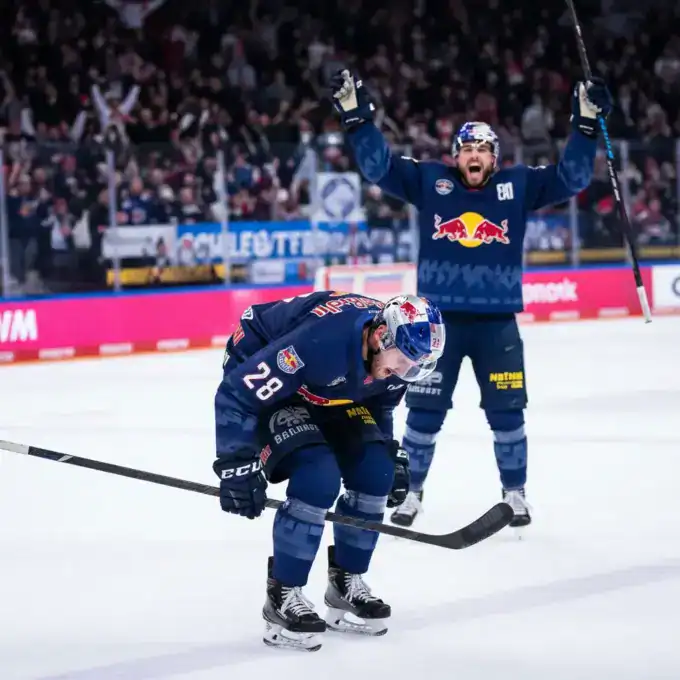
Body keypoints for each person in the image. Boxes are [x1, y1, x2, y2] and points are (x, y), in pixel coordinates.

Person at [330, 69, 613, 529]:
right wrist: (359, 120)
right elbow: (379, 168)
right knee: (423, 414)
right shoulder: (430, 180)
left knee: (507, 413)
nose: (474, 155)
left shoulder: (518, 185)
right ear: (455, 156)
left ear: (494, 158)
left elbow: (573, 178)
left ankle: (515, 495)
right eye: (467, 149)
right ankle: (412, 493)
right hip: (434, 325)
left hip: (496, 324)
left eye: (482, 149)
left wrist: (584, 125)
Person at [213, 291, 445, 651]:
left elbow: (380, 405)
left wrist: (387, 448)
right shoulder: (320, 342)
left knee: (376, 471)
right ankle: (283, 594)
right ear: (380, 336)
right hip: (273, 377)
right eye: (402, 361)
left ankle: (345, 583)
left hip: (326, 385)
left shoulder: (397, 359)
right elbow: (237, 396)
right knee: (317, 474)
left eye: (414, 367)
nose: (405, 372)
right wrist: (235, 465)